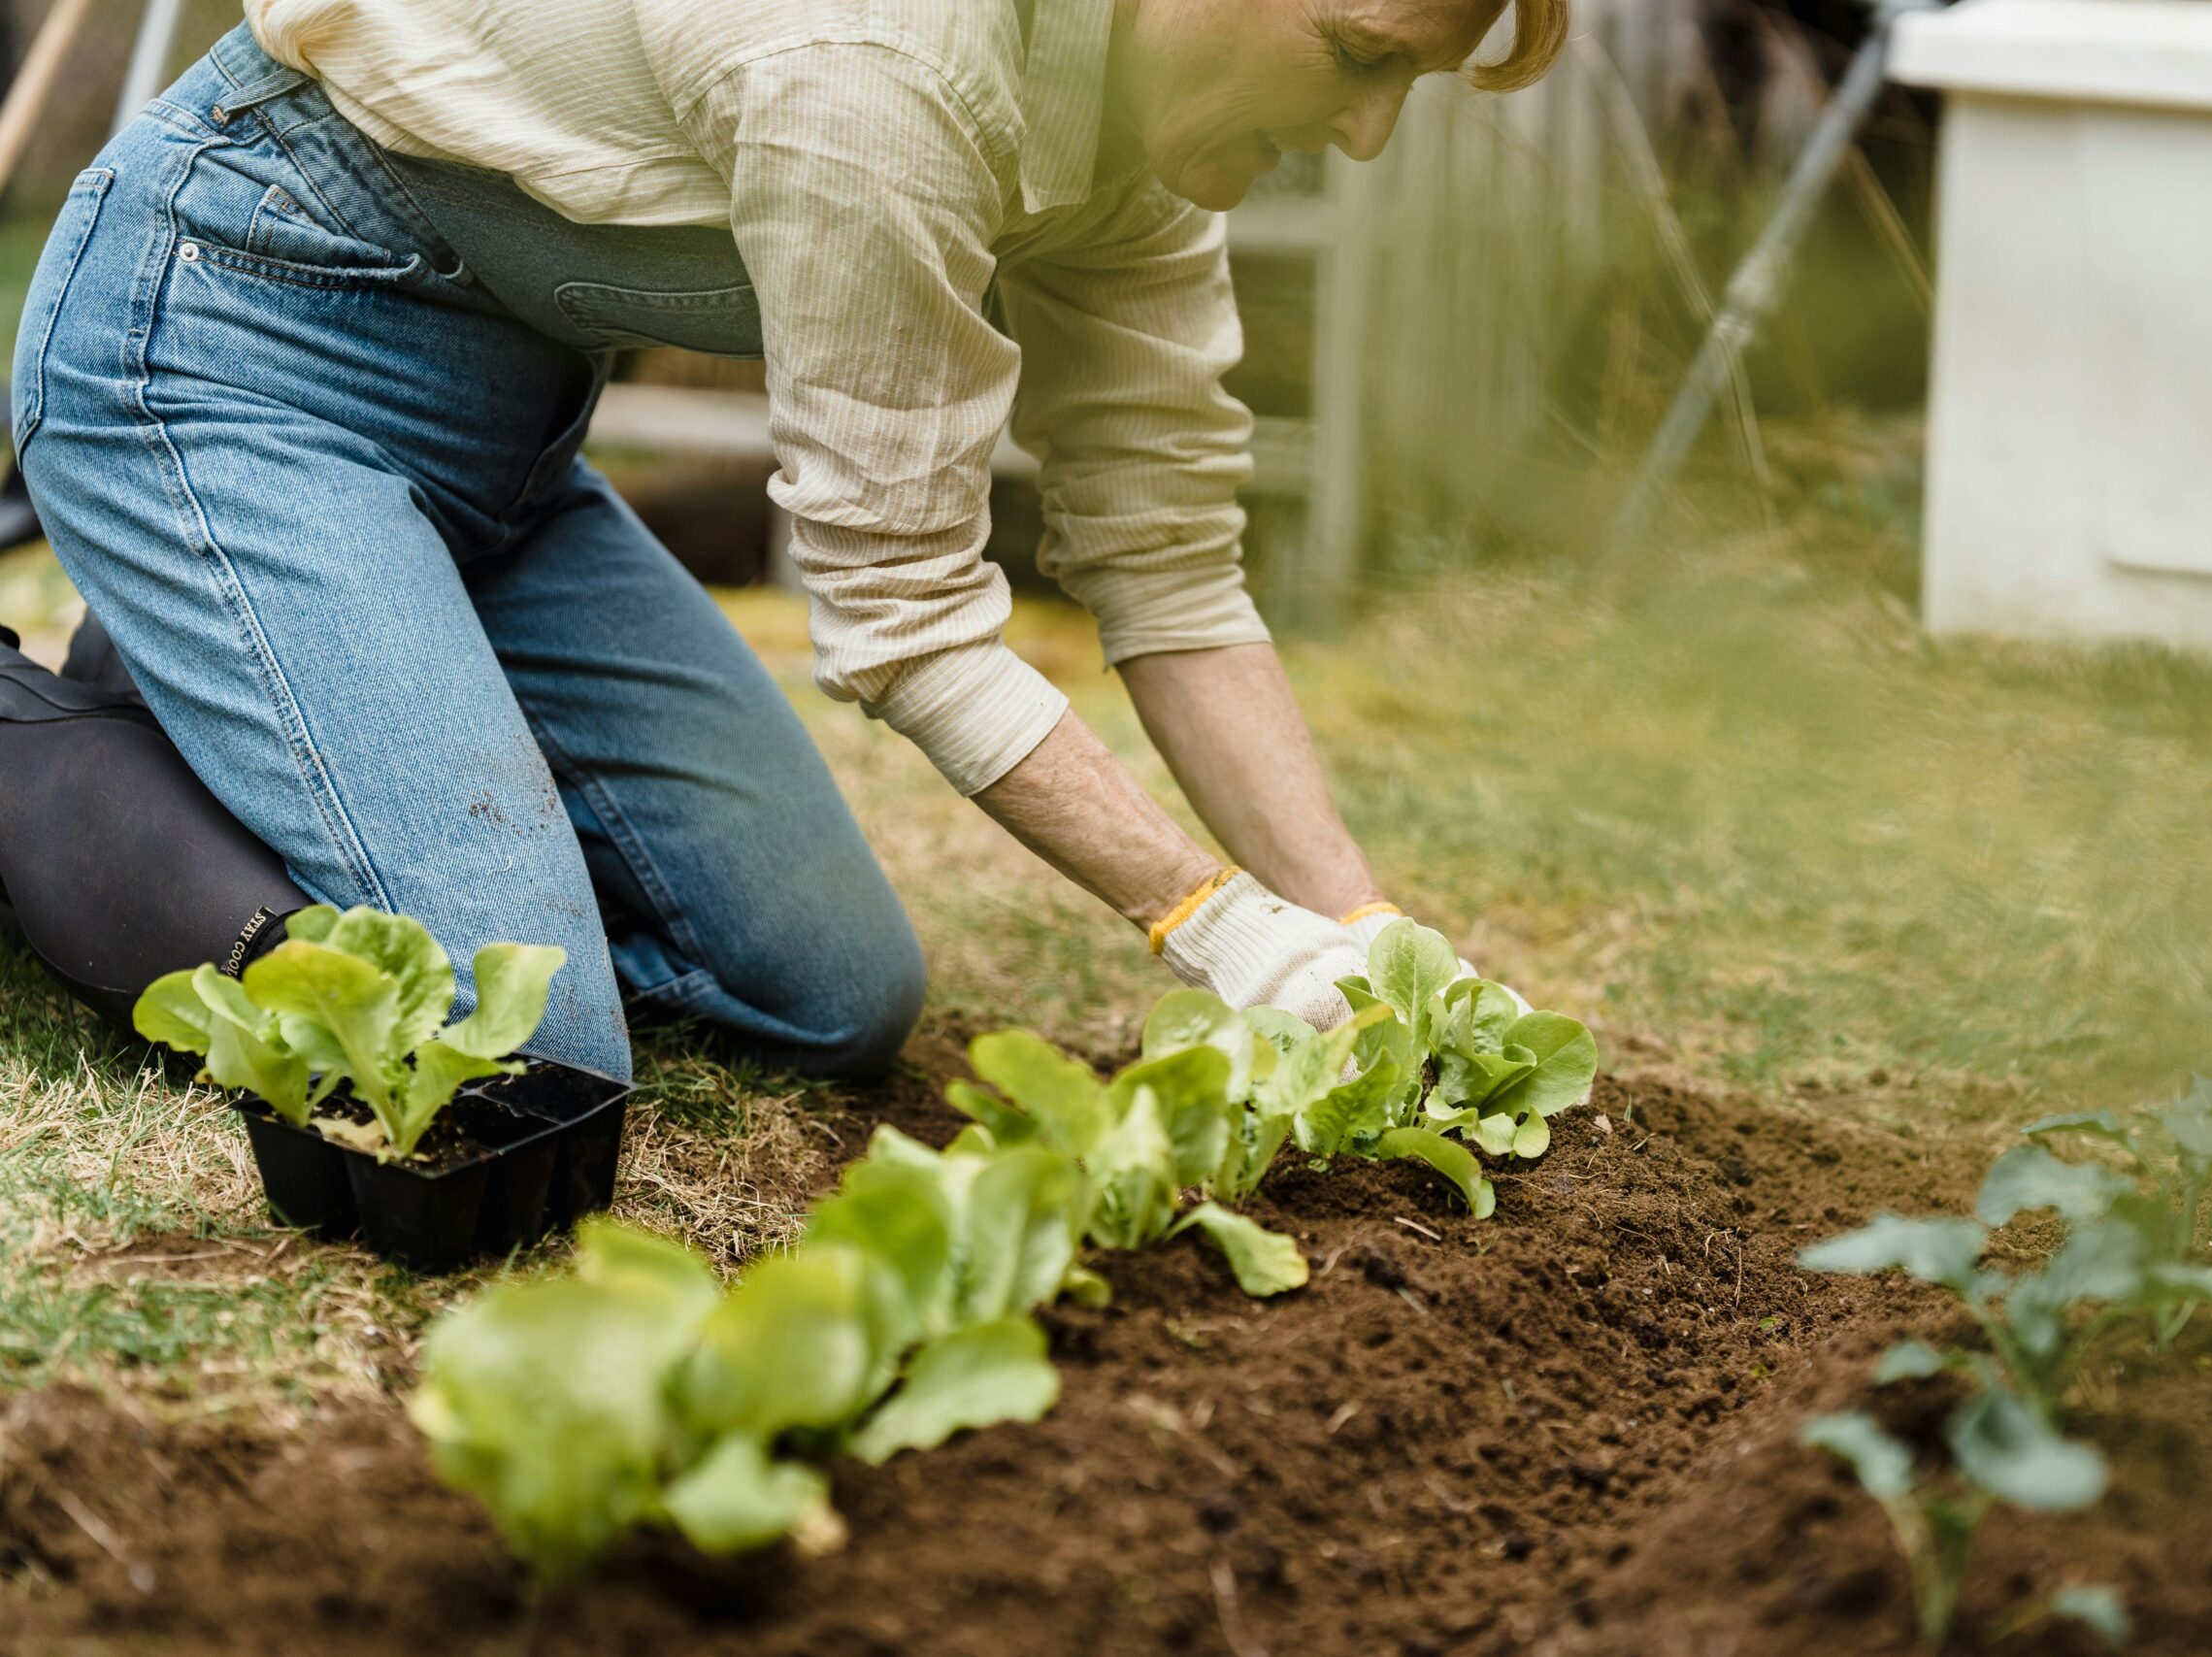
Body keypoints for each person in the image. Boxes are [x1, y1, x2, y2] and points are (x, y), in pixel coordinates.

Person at [7, 0, 1566, 1084]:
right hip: (225, 346)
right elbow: (904, 620)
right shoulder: (878, 58)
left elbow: (1167, 565)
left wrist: (1364, 939)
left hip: (503, 455)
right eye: (1361, 56)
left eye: (1407, 83)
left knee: (826, 994)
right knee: (522, 1046)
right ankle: (49, 730)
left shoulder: (1135, 141)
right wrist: (1218, 926)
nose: (1366, 136)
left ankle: (222, 665)